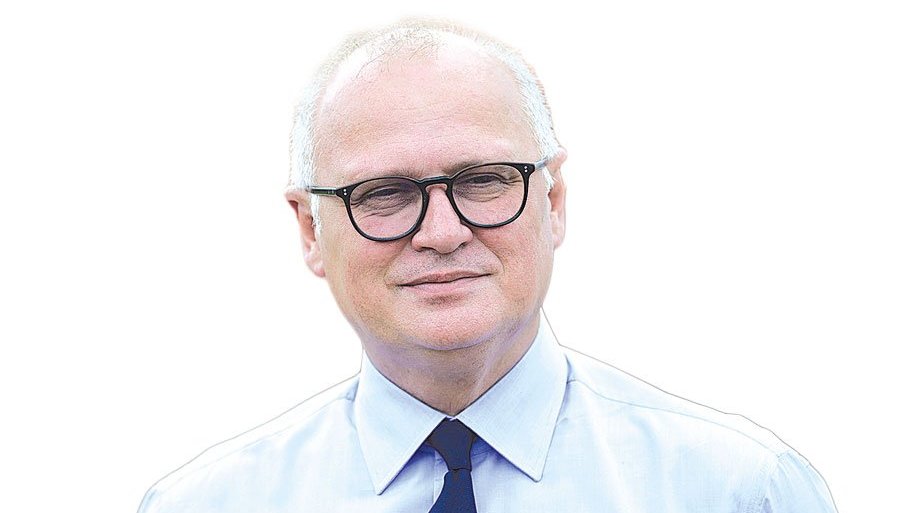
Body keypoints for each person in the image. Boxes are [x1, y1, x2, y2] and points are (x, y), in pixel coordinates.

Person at [138, 19, 837, 513]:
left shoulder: (740, 492)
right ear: (309, 229)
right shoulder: (205, 505)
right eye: (384, 193)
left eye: (484, 181)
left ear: (553, 201)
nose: (442, 233)